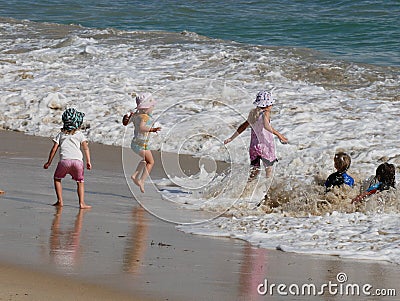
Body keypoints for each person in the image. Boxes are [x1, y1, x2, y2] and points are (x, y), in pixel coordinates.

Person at [224, 90, 288, 184]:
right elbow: (266, 126)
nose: (272, 106)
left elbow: (243, 126)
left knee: (254, 172)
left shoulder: (253, 113)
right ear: (267, 105)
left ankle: (247, 189)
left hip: (254, 147)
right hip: (265, 146)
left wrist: (231, 138)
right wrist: (280, 135)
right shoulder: (266, 113)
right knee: (268, 172)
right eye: (271, 104)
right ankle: (266, 192)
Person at [43, 108, 92, 209]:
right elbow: (86, 148)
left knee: (57, 179)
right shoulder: (80, 135)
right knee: (80, 182)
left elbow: (54, 149)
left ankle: (60, 201)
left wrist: (49, 162)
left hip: (64, 162)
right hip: (78, 162)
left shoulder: (61, 135)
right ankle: (82, 203)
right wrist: (88, 161)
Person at [123, 92, 161, 193]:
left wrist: (126, 118)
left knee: (145, 160)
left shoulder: (136, 115)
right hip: (141, 145)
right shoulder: (145, 117)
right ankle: (141, 180)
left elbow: (125, 123)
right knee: (151, 162)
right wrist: (152, 129)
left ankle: (135, 175)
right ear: (146, 108)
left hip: (135, 143)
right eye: (152, 106)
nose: (153, 108)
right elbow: (141, 127)